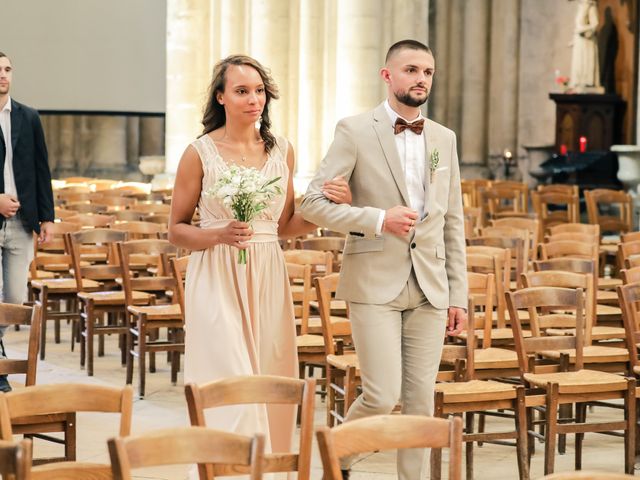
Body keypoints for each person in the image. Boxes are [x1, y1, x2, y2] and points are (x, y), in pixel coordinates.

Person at [167, 54, 350, 476]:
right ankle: (226, 469)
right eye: (242, 91)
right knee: (228, 379)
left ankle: (268, 468)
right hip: (215, 275)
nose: (254, 100)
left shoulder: (281, 150)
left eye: (259, 91)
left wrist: (331, 207)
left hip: (267, 273)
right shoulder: (199, 153)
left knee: (269, 378)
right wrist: (218, 235)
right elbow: (176, 230)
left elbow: (284, 225)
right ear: (222, 97)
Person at [300, 39, 468, 480]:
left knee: (419, 401)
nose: (421, 79)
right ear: (387, 75)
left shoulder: (443, 139)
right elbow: (311, 204)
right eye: (411, 70)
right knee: (380, 393)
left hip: (430, 287)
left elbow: (453, 223)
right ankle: (337, 461)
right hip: (374, 280)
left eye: (427, 72)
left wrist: (459, 296)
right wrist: (377, 218)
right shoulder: (355, 130)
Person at [0, 52, 54, 393]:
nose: (3, 76)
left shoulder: (28, 117)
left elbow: (41, 168)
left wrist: (47, 215)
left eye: (7, 70)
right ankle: (0, 365)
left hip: (22, 222)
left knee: (15, 297)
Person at [569, 0, 601, 90]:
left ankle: (587, 82)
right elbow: (578, 25)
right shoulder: (580, 6)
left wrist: (582, 30)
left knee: (586, 62)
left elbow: (595, 24)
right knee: (578, 62)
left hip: (587, 41)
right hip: (579, 41)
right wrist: (573, 41)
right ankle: (578, 83)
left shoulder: (590, 6)